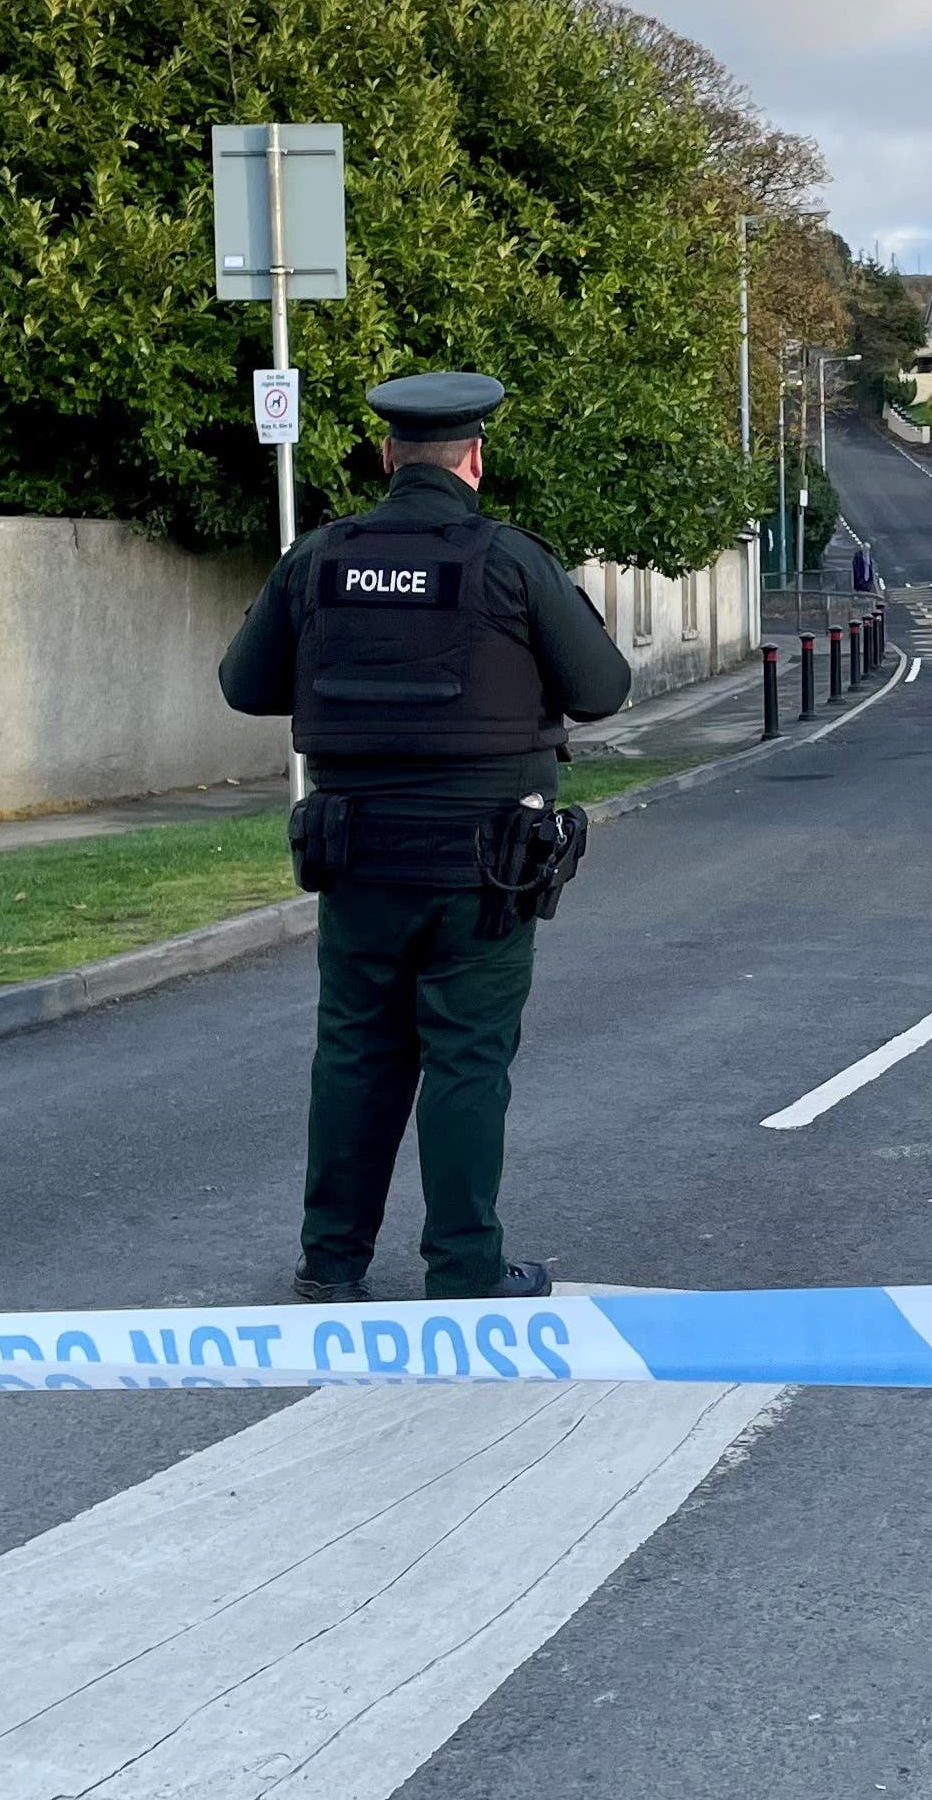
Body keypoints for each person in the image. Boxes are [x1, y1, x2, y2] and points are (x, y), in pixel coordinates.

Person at [218, 370, 632, 1302]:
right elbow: (602, 689)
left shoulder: (321, 557)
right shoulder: (508, 560)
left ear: (385, 456)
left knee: (356, 1052)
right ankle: (464, 1265)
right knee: (465, 1057)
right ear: (475, 459)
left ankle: (330, 1263)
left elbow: (246, 685)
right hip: (483, 868)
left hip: (356, 855)